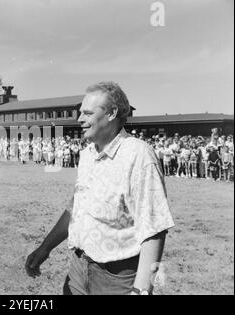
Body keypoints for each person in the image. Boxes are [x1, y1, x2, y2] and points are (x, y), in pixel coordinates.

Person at [25, 81, 174, 295]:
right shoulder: (87, 155)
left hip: (118, 279)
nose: (79, 119)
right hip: (78, 269)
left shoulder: (138, 155)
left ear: (112, 113)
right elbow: (76, 208)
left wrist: (141, 291)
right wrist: (45, 247)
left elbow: (154, 229)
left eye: (87, 113)